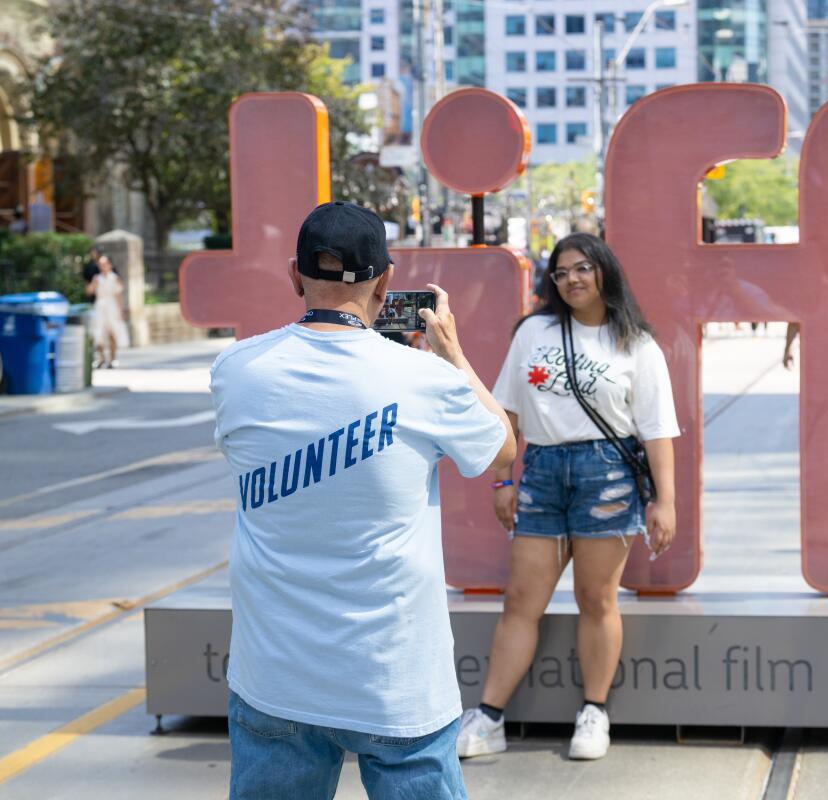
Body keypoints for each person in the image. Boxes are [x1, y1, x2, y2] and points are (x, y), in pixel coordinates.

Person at [211, 201, 516, 799]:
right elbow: (502, 450)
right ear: (386, 281)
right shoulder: (422, 378)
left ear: (295, 275)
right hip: (394, 672)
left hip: (275, 672)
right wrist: (452, 353)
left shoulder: (235, 370)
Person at [456, 232, 679, 761]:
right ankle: (489, 718)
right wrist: (502, 479)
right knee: (520, 600)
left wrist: (664, 501)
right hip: (544, 471)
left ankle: (594, 712)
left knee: (596, 600)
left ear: (604, 271)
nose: (572, 279)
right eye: (561, 272)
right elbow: (506, 411)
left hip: (608, 472)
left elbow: (656, 430)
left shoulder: (635, 343)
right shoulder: (534, 331)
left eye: (582, 268)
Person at [86, 253, 128, 368]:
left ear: (109, 264)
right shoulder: (97, 278)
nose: (102, 266)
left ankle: (113, 359)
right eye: (100, 264)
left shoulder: (114, 278)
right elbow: (89, 291)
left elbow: (119, 295)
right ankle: (101, 359)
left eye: (104, 264)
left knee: (112, 333)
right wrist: (91, 282)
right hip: (100, 306)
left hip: (112, 307)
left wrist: (121, 310)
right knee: (98, 333)